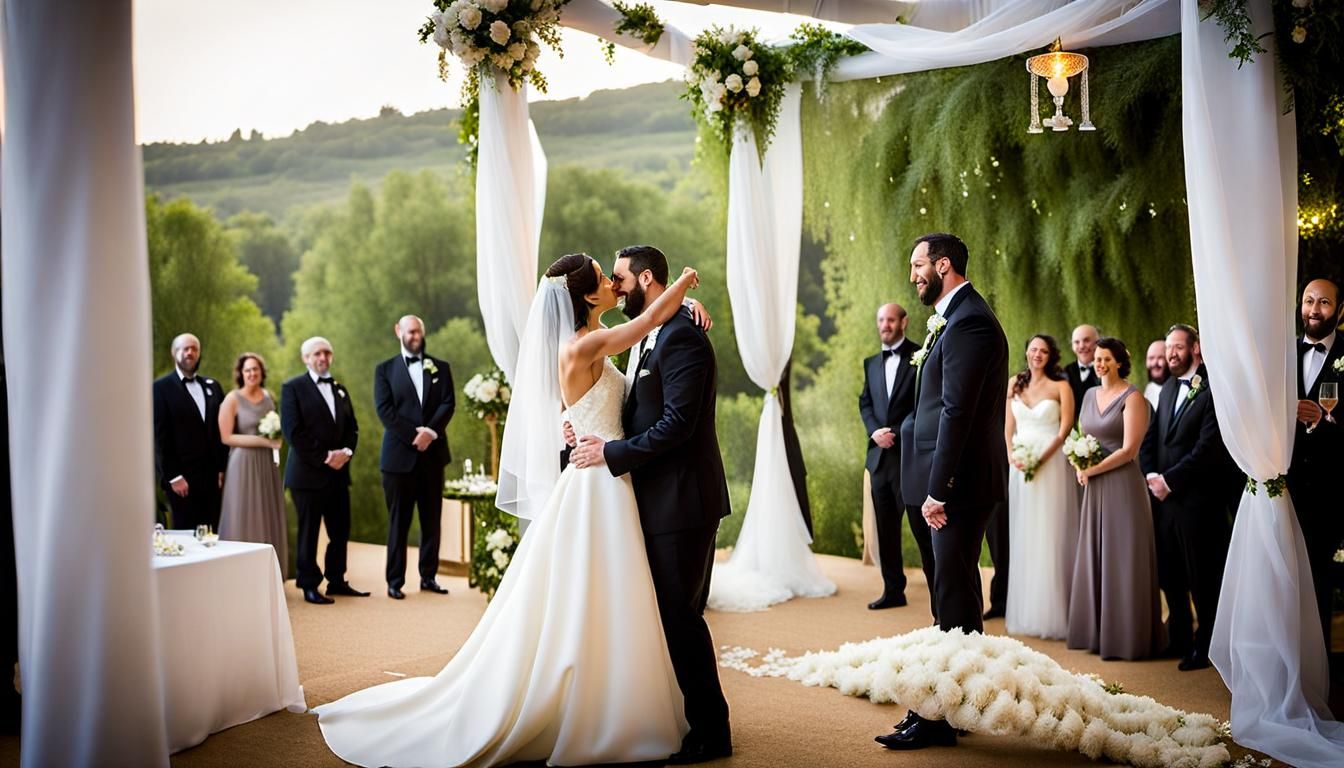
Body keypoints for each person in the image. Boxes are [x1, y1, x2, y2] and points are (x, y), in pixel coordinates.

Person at [317, 255, 706, 767]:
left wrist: (681, 306)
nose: (613, 282)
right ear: (589, 297)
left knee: (610, 596)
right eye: (602, 276)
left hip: (608, 475)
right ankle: (592, 709)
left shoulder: (591, 339)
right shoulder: (583, 343)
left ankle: (611, 700)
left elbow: (616, 380)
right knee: (595, 595)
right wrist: (688, 283)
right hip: (598, 486)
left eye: (616, 275)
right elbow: (652, 319)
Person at [571, 245, 734, 762]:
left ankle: (712, 731)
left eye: (619, 278)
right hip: (653, 498)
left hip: (683, 501)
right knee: (667, 615)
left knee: (681, 616)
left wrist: (610, 452)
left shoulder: (682, 339)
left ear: (644, 279)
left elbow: (678, 426)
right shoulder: (653, 332)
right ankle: (687, 720)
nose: (615, 286)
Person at [879, 232, 1008, 751]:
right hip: (940, 478)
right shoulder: (952, 318)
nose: (912, 274)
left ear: (944, 265)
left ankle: (939, 716)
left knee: (953, 595)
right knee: (948, 594)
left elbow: (959, 412)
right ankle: (949, 706)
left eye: (918, 265)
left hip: (957, 484)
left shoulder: (970, 321)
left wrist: (939, 490)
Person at [1139, 324, 1236, 671]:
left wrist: (1170, 480)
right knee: (1170, 573)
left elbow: (1208, 448)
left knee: (1202, 576)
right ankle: (1179, 634)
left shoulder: (1213, 390)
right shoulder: (1165, 390)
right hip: (1164, 501)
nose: (1171, 354)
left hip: (1197, 501)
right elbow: (1151, 437)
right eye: (1168, 348)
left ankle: (1206, 644)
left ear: (1195, 349)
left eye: (1178, 347)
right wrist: (1150, 474)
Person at [1066, 338, 1164, 660]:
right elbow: (1083, 437)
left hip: (1122, 486)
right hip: (1094, 486)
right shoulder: (1090, 395)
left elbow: (1129, 451)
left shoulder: (1133, 398)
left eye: (1106, 358)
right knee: (1096, 554)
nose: (1100, 363)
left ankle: (1128, 639)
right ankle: (1096, 633)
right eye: (1097, 358)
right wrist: (1079, 462)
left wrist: (1091, 469)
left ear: (1120, 362)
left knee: (1122, 559)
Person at [373, 315, 455, 600]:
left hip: (433, 457)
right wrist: (413, 435)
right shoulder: (384, 370)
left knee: (432, 520)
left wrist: (430, 432)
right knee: (399, 521)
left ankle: (428, 576)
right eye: (409, 331)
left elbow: (448, 403)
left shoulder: (440, 368)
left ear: (423, 331)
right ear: (399, 332)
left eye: (418, 331)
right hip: (398, 460)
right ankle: (395, 580)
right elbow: (385, 411)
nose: (414, 335)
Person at [281, 337, 366, 605]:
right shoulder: (293, 388)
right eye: (317, 353)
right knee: (309, 532)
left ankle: (337, 581)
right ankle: (308, 584)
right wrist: (325, 457)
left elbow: (352, 428)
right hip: (307, 475)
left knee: (340, 531)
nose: (323, 357)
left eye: (327, 353)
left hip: (339, 474)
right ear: (306, 358)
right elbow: (293, 431)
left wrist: (347, 453)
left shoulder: (340, 389)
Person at [1003, 334, 1077, 640]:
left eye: (1043, 351)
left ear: (1051, 356)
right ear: (1027, 352)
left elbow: (1065, 429)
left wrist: (1040, 458)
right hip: (1019, 466)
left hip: (1050, 465)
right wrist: (1012, 456)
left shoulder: (1062, 386)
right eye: (1033, 349)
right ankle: (1026, 611)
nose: (1037, 355)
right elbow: (1008, 426)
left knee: (1050, 532)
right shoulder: (1014, 384)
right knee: (1025, 533)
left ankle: (1056, 613)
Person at [1288, 277, 1344, 658]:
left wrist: (1324, 422)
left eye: (1323, 302)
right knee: (1286, 580)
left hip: (1333, 488)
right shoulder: (1285, 353)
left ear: (1340, 311)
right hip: (1286, 486)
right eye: (1309, 300)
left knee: (1322, 581)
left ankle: (1321, 666)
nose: (1313, 309)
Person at [859, 303, 919, 609]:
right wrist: (874, 432)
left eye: (891, 320)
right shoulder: (870, 363)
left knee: (923, 527)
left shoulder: (921, 357)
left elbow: (924, 404)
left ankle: (940, 592)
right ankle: (894, 591)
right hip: (879, 460)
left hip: (911, 457)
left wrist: (894, 430)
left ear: (903, 322)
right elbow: (865, 403)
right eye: (881, 319)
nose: (885, 325)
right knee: (886, 529)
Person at [217, 353, 288, 577]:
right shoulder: (232, 399)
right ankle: (239, 574)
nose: (252, 373)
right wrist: (263, 442)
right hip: (243, 464)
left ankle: (267, 576)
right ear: (241, 373)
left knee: (267, 512)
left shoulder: (269, 397)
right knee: (242, 513)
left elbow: (275, 428)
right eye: (247, 370)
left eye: (255, 369)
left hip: (267, 464)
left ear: (261, 372)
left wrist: (275, 440)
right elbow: (226, 437)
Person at [152, 333, 228, 531]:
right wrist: (173, 476)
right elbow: (160, 437)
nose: (190, 352)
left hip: (211, 478)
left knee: (211, 534)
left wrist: (221, 468)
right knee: (186, 533)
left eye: (194, 349)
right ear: (174, 353)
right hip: (181, 479)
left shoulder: (213, 386)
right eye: (185, 349)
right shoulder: (160, 388)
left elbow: (220, 431)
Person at [1065, 324, 1101, 421]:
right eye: (1076, 342)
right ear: (1072, 346)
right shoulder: (1065, 373)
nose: (1081, 346)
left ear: (1097, 343)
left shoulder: (1107, 370)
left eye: (1086, 340)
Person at [1143, 340, 1169, 411]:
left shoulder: (1181, 388)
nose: (1155, 363)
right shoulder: (1150, 388)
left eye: (1160, 357)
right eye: (1151, 358)